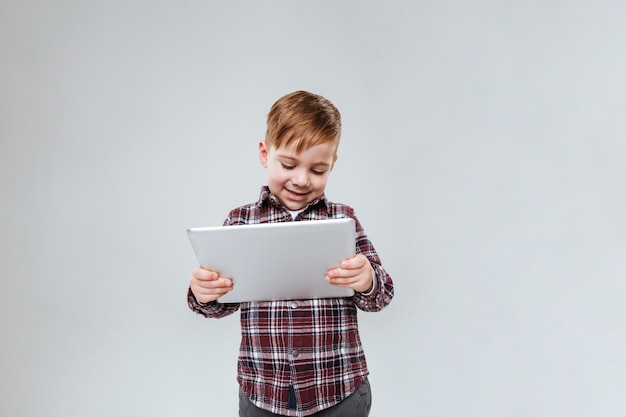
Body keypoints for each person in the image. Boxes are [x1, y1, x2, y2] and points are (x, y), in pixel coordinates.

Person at [188, 90, 394, 417]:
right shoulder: (240, 222)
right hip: (264, 393)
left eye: (317, 170)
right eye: (288, 164)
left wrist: (367, 278)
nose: (301, 180)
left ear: (332, 165)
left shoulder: (343, 220)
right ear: (264, 153)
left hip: (337, 390)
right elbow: (216, 305)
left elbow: (382, 295)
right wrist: (204, 293)